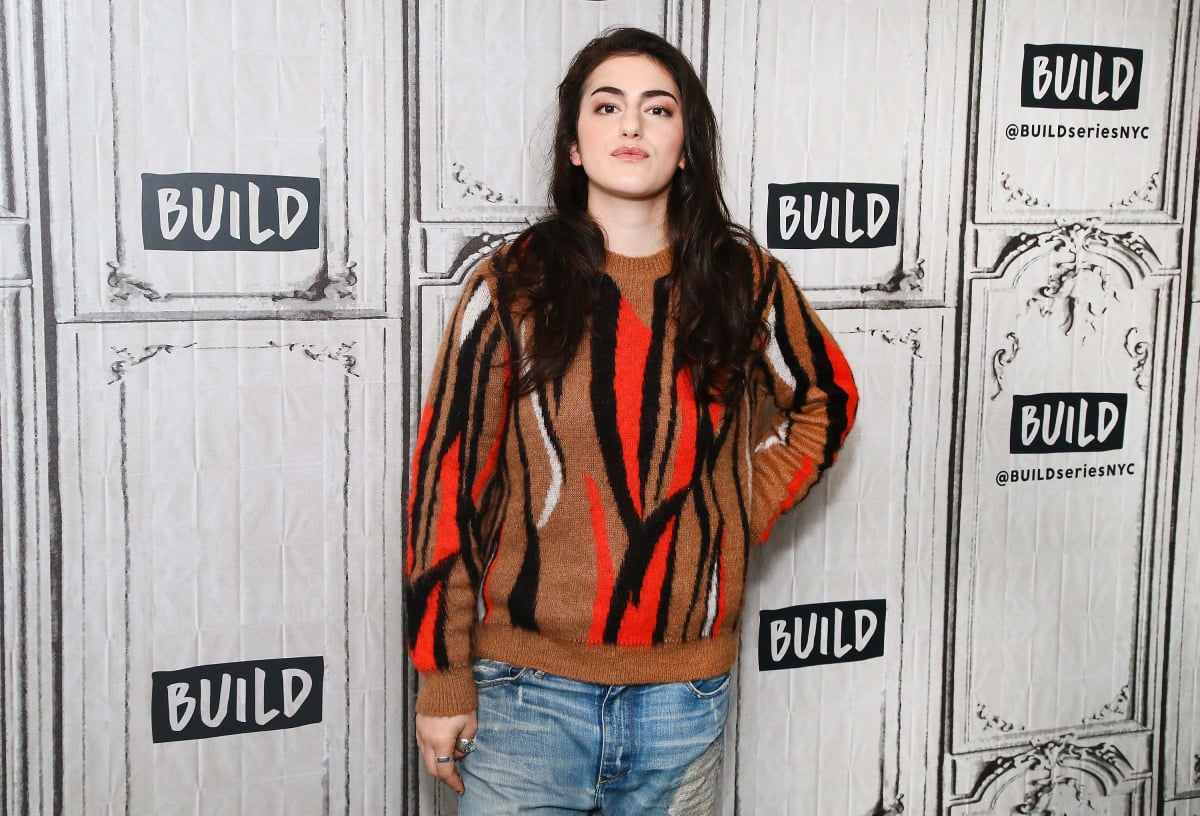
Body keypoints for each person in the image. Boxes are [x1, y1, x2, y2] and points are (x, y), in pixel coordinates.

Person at [405, 26, 857, 815]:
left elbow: (827, 400)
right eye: (607, 106)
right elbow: (446, 481)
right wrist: (442, 678)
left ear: (685, 148)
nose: (633, 124)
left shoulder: (745, 281)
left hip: (683, 699)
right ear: (574, 145)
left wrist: (731, 511)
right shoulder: (510, 284)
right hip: (522, 696)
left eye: (659, 108)